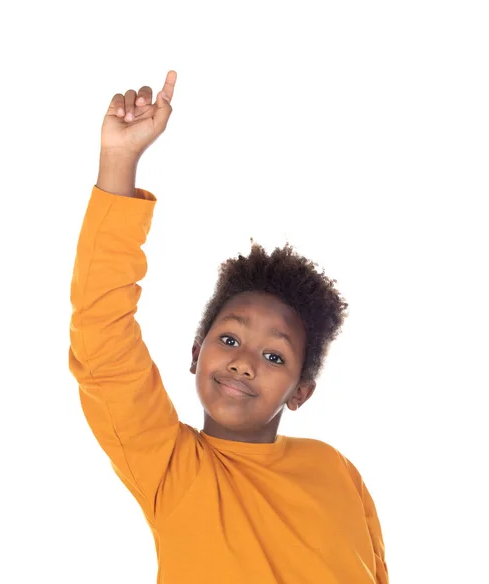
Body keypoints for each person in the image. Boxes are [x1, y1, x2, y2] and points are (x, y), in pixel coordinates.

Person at [68, 70, 389, 583]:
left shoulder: (335, 471)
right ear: (197, 352)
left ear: (301, 391)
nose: (244, 361)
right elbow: (102, 334)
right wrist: (118, 162)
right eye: (231, 339)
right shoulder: (169, 467)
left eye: (276, 356)